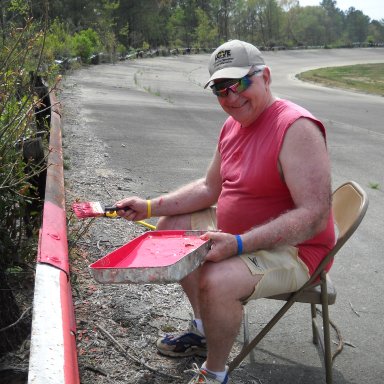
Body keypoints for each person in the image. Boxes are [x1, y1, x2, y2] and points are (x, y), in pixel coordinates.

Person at [116, 39, 335, 384]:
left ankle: (215, 372)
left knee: (215, 281)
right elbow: (208, 189)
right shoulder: (232, 125)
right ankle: (204, 329)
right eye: (221, 89)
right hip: (241, 235)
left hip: (296, 249)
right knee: (171, 226)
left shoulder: (296, 129)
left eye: (240, 83)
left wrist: (238, 244)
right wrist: (147, 205)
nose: (231, 97)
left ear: (265, 76)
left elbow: (314, 216)